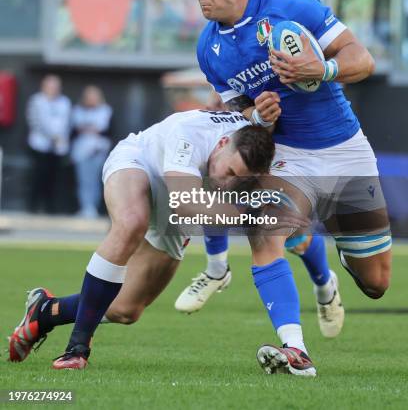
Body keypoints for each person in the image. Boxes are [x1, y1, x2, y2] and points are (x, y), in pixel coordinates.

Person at [193, 0, 391, 377]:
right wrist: (255, 114)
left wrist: (322, 70)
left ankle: (340, 256)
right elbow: (237, 109)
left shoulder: (289, 8)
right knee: (263, 234)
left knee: (376, 282)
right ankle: (295, 349)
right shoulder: (208, 49)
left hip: (344, 149)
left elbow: (363, 58)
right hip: (288, 156)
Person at [9, 110, 292, 369]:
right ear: (221, 145)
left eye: (238, 180)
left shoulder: (253, 147)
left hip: (179, 204)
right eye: (229, 172)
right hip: (141, 164)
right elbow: (186, 203)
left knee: (126, 310)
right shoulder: (188, 135)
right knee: (132, 222)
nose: (228, 183)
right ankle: (77, 349)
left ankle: (44, 311)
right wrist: (246, 214)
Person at [176, 0, 345, 343]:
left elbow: (348, 63)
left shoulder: (304, 14)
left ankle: (324, 285)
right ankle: (217, 269)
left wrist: (317, 71)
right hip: (269, 133)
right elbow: (238, 92)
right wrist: (247, 112)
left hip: (315, 135)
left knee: (296, 236)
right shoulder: (231, 23)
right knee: (221, 175)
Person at [26, 75, 71, 214]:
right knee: (39, 176)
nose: (53, 89)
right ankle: (33, 206)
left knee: (54, 178)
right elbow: (35, 122)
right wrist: (52, 136)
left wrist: (61, 139)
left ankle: (49, 207)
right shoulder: (36, 100)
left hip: (58, 147)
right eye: (50, 86)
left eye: (56, 87)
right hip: (40, 145)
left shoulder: (64, 102)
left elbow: (68, 122)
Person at [71, 86, 112, 218]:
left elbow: (106, 130)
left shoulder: (106, 110)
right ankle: (85, 207)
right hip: (81, 150)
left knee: (95, 180)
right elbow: (75, 129)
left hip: (98, 150)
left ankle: (93, 207)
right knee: (83, 180)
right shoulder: (78, 110)